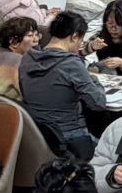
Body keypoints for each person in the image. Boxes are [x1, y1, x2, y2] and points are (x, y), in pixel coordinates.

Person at [20, 11, 111, 161]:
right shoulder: (71, 63)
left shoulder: (28, 59)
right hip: (70, 137)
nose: (81, 44)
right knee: (112, 152)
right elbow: (98, 103)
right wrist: (94, 80)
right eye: (81, 39)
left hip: (38, 134)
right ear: (74, 36)